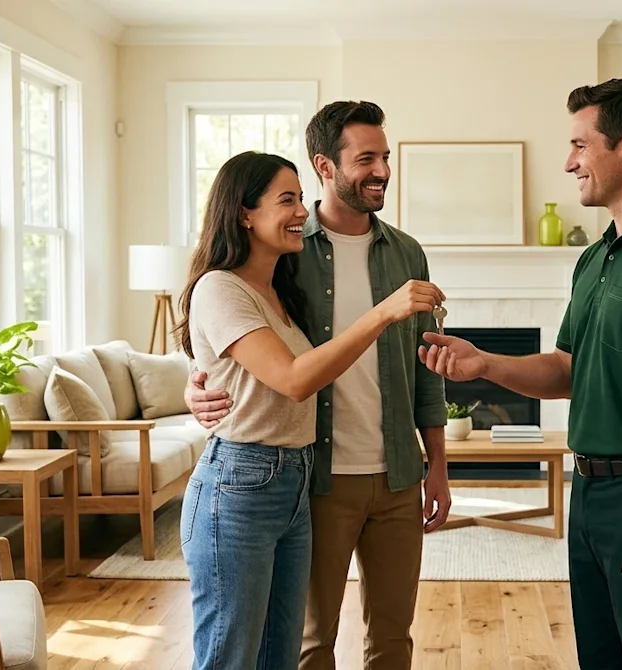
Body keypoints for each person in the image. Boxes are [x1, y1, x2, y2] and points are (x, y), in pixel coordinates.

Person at [418, 78, 622, 669]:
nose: (569, 163)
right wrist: (484, 363)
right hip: (588, 493)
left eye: (580, 145)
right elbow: (567, 368)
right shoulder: (595, 258)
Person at [184, 101, 453, 670]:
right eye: (366, 158)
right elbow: (249, 347)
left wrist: (438, 465)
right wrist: (195, 384)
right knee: (306, 643)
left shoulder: (406, 253)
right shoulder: (286, 252)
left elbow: (425, 369)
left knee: (390, 639)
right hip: (315, 477)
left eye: (385, 157)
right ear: (325, 166)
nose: (382, 170)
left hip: (396, 473)